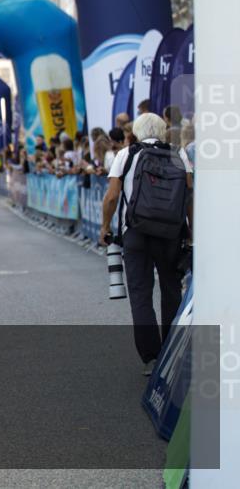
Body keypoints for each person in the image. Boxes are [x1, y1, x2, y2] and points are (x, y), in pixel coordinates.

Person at [100, 113, 193, 376]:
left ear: (137, 132)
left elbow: (111, 196)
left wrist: (105, 227)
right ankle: (172, 353)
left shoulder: (125, 155)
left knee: (140, 295)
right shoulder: (179, 154)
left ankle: (151, 358)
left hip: (136, 233)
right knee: (171, 290)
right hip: (171, 233)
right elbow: (189, 195)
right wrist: (191, 234)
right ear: (163, 131)